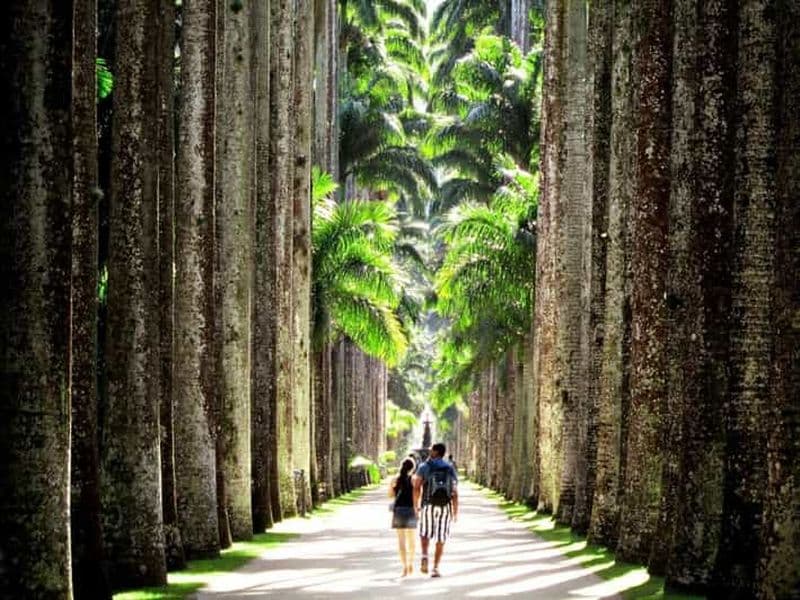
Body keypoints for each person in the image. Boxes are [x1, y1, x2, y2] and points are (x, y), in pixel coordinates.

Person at [413, 442, 459, 578]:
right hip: (445, 507)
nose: (429, 451)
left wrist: (416, 505)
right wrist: (455, 511)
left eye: (431, 450)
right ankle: (436, 568)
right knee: (441, 537)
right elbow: (454, 491)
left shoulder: (424, 466)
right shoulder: (449, 468)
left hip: (428, 505)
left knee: (425, 533)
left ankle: (424, 555)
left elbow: (416, 486)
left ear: (436, 452)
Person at [389, 457, 418, 577]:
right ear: (412, 468)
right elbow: (416, 496)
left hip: (399, 510)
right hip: (410, 510)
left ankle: (404, 566)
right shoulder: (414, 479)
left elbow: (390, 495)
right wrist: (417, 510)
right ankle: (410, 563)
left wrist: (393, 487)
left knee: (401, 541)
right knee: (411, 540)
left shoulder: (395, 479)